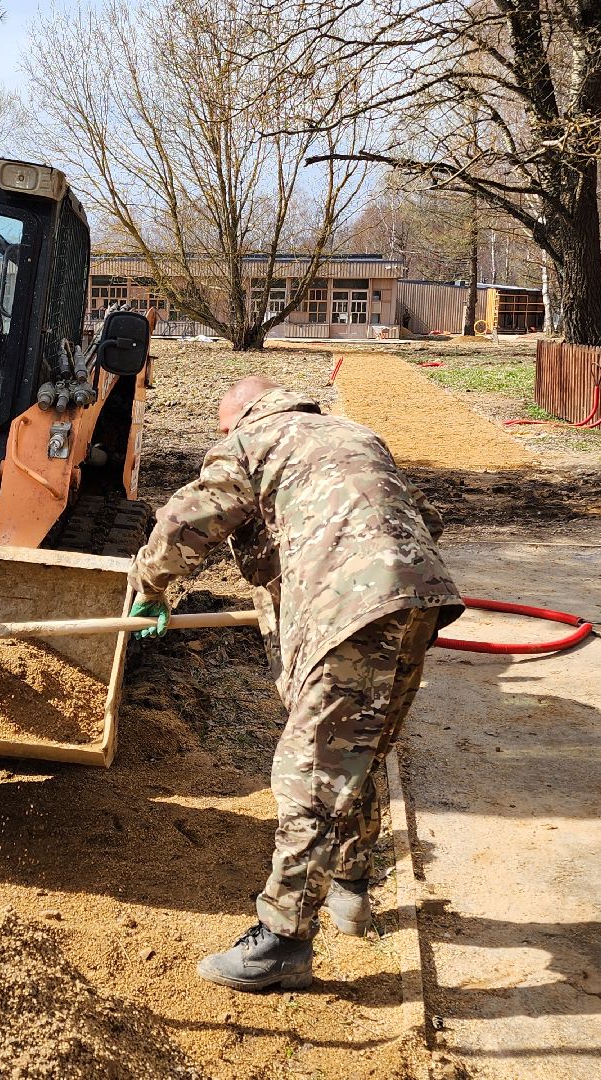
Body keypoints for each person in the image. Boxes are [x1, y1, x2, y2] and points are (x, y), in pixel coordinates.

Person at [127, 376, 462, 992]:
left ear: (236, 418)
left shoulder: (254, 439)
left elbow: (185, 521)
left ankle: (281, 940)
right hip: (416, 601)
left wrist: (149, 588)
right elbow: (421, 519)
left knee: (307, 772)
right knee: (358, 752)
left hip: (349, 614)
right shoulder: (353, 434)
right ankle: (352, 891)